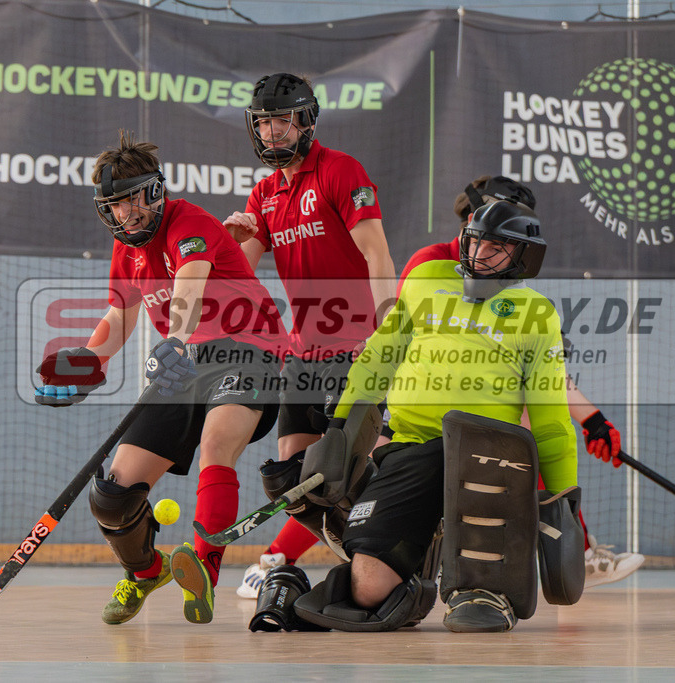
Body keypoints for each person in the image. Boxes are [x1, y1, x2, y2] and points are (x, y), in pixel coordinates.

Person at [273, 198, 582, 633]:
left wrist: (563, 501)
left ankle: (483, 590)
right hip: (412, 445)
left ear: (523, 257)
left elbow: (550, 420)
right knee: (365, 591)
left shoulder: (538, 315)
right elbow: (377, 360)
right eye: (474, 244)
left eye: (496, 248)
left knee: (478, 604)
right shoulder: (423, 280)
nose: (479, 256)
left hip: (487, 453)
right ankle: (416, 568)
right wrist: (339, 432)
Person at [34, 130, 288, 626]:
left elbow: (189, 286)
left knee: (217, 445)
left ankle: (205, 573)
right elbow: (120, 315)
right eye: (114, 206)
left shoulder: (188, 221)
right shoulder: (125, 247)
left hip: (246, 349)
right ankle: (146, 570)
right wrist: (89, 363)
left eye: (131, 201)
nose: (125, 215)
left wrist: (175, 338)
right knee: (113, 492)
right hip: (185, 360)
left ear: (153, 192)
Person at [400, 175, 645, 587]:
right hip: (422, 411)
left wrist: (592, 419)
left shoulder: (505, 279)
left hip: (474, 413)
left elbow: (538, 374)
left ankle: (575, 548)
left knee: (536, 433)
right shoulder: (431, 265)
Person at [223, 72, 397, 597]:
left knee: (353, 468)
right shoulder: (265, 194)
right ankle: (340, 553)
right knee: (293, 479)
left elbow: (377, 253)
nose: (271, 132)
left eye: (281, 121)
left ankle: (385, 555)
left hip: (358, 348)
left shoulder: (342, 172)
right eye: (263, 123)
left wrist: (386, 325)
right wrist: (229, 249)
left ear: (307, 121)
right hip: (305, 353)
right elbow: (243, 275)